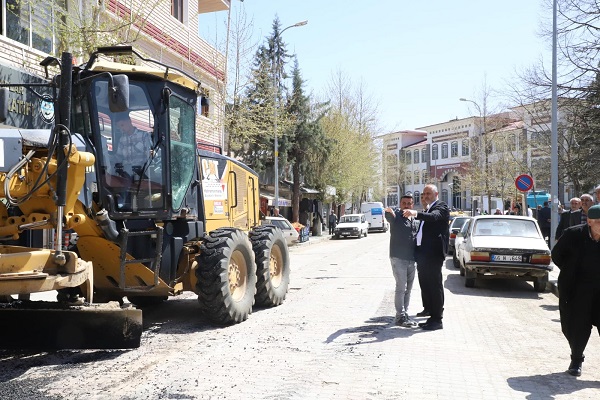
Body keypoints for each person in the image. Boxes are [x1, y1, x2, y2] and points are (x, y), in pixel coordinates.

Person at [551, 204, 600, 377]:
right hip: (578, 290)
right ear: (590, 222)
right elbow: (556, 255)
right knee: (576, 327)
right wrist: (570, 270)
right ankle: (576, 360)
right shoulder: (573, 235)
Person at [402, 184, 449, 331]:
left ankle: (437, 319)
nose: (425, 196)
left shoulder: (441, 206)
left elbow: (434, 217)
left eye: (428, 193)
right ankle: (430, 313)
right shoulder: (428, 208)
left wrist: (415, 213)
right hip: (424, 254)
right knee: (427, 285)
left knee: (435, 286)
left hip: (434, 254)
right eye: (424, 193)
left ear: (436, 194)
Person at [384, 195, 418, 327]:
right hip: (398, 258)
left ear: (412, 205)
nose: (406, 205)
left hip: (411, 259)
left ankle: (405, 314)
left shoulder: (413, 220)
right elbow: (389, 217)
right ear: (400, 204)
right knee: (401, 287)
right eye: (404, 203)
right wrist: (388, 212)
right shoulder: (396, 216)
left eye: (409, 203)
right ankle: (400, 316)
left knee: (408, 289)